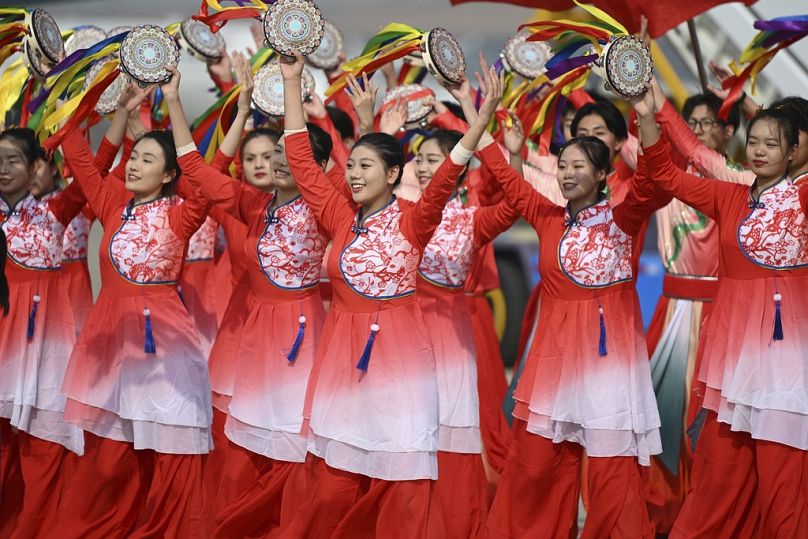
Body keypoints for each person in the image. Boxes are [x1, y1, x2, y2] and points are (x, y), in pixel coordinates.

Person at [278, 53, 503, 538]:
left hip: (403, 369)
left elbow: (444, 181)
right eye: (352, 165)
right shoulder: (339, 217)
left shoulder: (413, 221)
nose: (354, 175)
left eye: (365, 166)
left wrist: (478, 124)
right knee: (335, 486)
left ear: (394, 174)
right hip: (342, 365)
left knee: (402, 490)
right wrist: (293, 82)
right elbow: (301, 160)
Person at [166, 56, 332, 536]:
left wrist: (292, 81)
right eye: (270, 154)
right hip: (254, 335)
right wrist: (176, 100)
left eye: (286, 152)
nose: (279, 161)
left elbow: (304, 156)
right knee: (246, 447)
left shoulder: (325, 205)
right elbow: (194, 168)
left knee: (294, 445)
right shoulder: (251, 202)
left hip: (301, 335)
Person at [635, 86, 808, 539]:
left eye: (773, 144)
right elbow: (667, 175)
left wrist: (753, 102)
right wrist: (649, 112)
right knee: (718, 480)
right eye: (754, 142)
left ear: (793, 152)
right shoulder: (730, 197)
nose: (760, 151)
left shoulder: (803, 199)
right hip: (735, 365)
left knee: (783, 486)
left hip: (788, 370)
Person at [481, 126, 664, 536]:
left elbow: (655, 178)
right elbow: (511, 184)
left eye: (578, 166)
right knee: (536, 468)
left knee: (611, 475)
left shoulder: (623, 217)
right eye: (562, 165)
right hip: (554, 362)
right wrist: (489, 130)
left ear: (603, 174)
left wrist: (649, 114)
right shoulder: (548, 218)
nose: (566, 173)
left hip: (608, 364)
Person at [54, 78, 212, 537]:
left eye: (147, 159)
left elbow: (201, 181)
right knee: (112, 466)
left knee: (172, 462)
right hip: (111, 347)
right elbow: (76, 152)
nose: (135, 164)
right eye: (134, 156)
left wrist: (178, 103)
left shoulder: (182, 214)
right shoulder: (113, 205)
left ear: (168, 175)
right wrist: (115, 112)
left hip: (165, 350)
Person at [0, 127, 86, 538]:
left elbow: (95, 169)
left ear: (36, 167)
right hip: (3, 340)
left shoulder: (56, 211)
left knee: (44, 445)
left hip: (46, 340)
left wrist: (80, 120)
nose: (3, 169)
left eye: (13, 160)